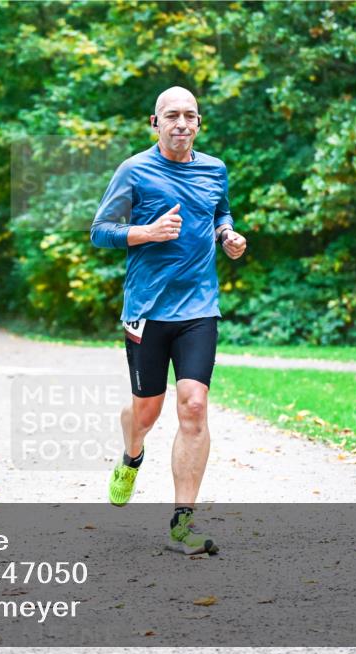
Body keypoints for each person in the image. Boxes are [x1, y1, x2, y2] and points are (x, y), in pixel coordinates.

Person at [90, 86, 247, 555]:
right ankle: (131, 455)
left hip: (199, 307)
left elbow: (220, 210)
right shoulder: (134, 170)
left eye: (190, 116)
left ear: (199, 123)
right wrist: (146, 232)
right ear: (154, 123)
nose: (181, 123)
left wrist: (227, 234)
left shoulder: (215, 168)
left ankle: (183, 523)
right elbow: (100, 231)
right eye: (171, 116)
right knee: (147, 411)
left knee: (194, 405)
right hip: (147, 308)